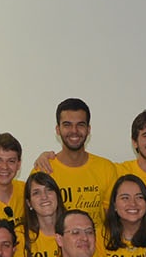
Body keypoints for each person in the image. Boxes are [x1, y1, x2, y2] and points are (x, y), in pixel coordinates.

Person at [45, 98, 120, 236]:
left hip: (99, 254)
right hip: (58, 254)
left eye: (80, 125)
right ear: (57, 129)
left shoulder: (106, 169)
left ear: (88, 129)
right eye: (67, 125)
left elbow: (114, 220)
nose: (74, 131)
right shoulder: (44, 170)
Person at [96, 175, 146, 257]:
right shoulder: (101, 234)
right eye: (125, 198)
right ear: (114, 205)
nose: (133, 203)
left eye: (139, 197)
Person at [21, 170, 66, 257]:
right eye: (36, 193)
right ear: (29, 203)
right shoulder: (21, 235)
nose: (44, 197)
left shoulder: (75, 229)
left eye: (49, 190)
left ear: (58, 196)